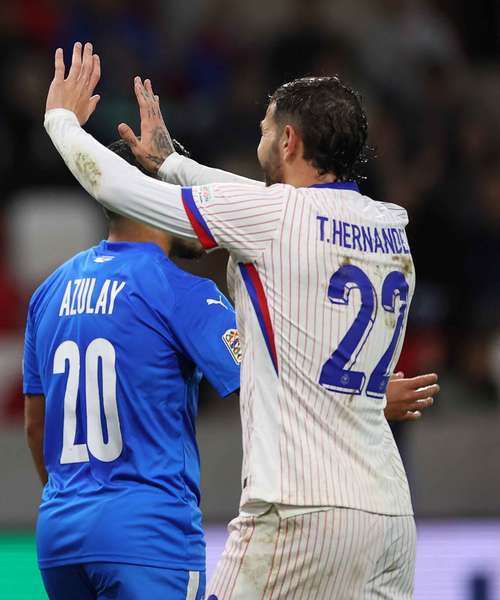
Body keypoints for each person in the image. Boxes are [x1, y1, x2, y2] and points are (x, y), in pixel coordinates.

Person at [43, 42, 439, 599]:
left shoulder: (271, 217)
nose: (258, 141)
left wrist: (60, 120)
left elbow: (116, 188)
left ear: (288, 140)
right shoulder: (389, 224)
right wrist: (174, 163)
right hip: (389, 516)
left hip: (298, 509)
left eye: (263, 129)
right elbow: (270, 207)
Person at [23, 137, 242, 600]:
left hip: (61, 531)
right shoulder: (181, 291)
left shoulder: (48, 291)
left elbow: (34, 425)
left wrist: (83, 501)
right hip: (148, 532)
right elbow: (268, 388)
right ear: (153, 197)